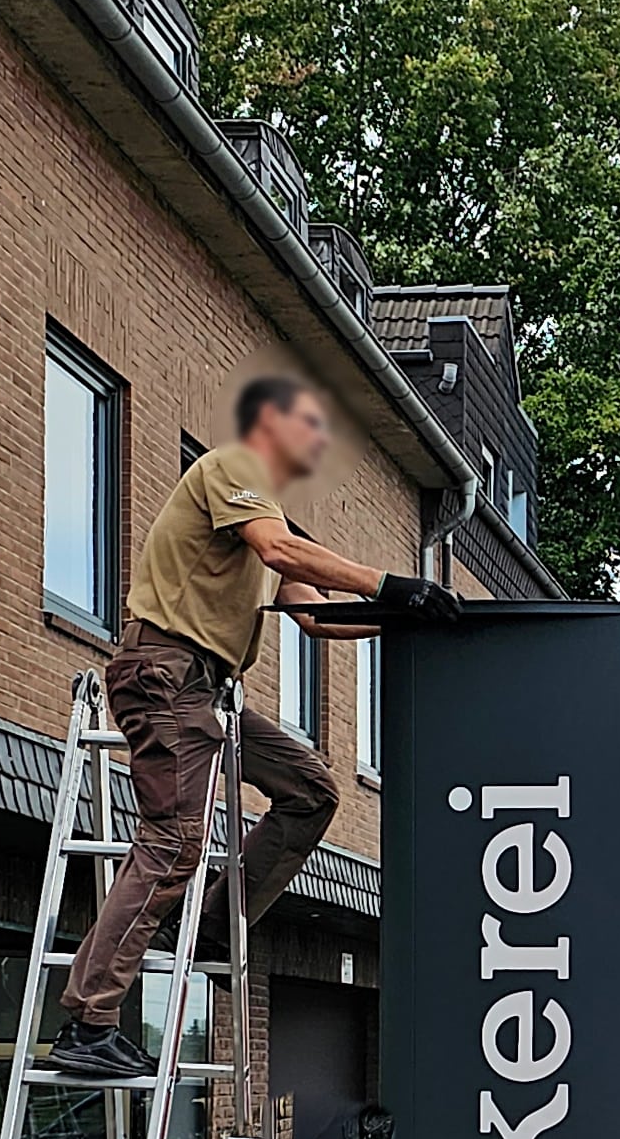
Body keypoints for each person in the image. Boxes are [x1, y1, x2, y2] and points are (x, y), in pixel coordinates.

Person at [49, 375, 460, 1079]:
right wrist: (391, 583)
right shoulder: (233, 469)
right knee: (174, 840)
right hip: (163, 673)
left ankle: (210, 925)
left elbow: (315, 617)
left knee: (312, 791)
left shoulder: (269, 514)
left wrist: (407, 620)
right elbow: (280, 554)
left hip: (210, 693)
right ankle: (89, 1022)